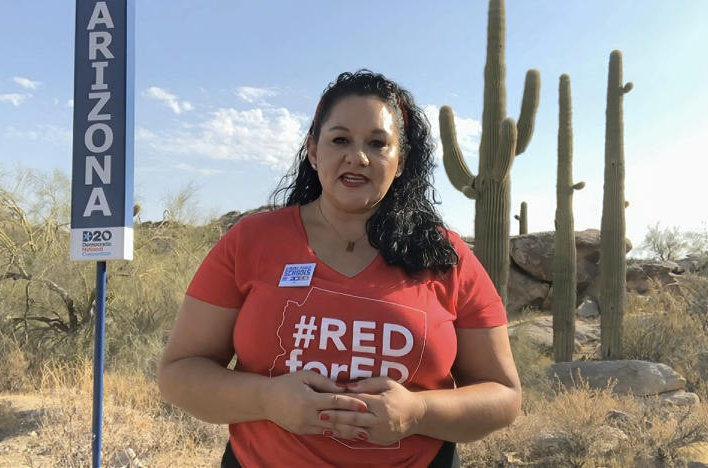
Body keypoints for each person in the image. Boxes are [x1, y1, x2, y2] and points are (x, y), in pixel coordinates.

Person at [158, 70, 521, 468]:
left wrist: (418, 413)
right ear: (313, 151)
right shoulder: (251, 241)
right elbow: (179, 373)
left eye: (378, 143)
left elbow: (503, 394)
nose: (358, 157)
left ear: (400, 160)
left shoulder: (445, 255)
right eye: (340, 140)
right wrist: (267, 398)